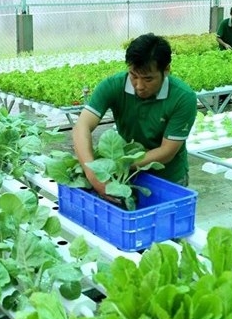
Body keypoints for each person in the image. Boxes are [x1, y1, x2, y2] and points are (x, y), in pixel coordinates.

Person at [72, 33, 197, 202]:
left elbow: (167, 152)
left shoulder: (183, 97)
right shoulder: (113, 86)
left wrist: (118, 165)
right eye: (133, 75)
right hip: (128, 177)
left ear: (166, 70)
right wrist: (93, 173)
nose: (139, 85)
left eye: (148, 79)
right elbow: (82, 126)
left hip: (168, 179)